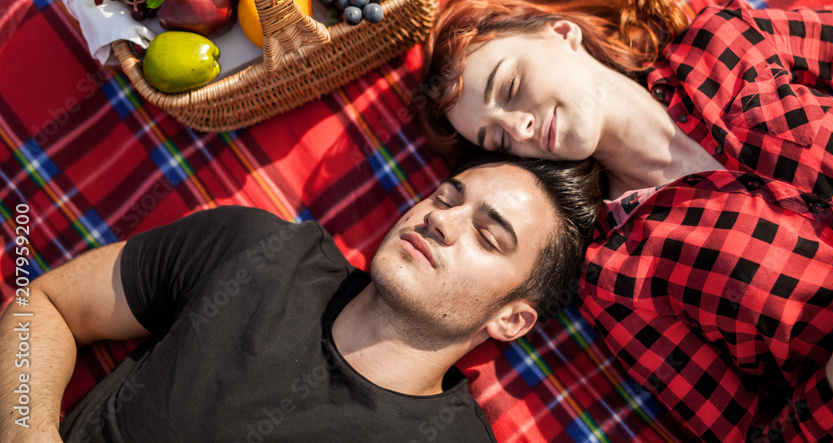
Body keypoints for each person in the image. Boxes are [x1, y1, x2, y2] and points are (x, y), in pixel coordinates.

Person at [414, 0, 833, 442]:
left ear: (560, 34)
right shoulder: (619, 278)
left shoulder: (726, 45)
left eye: (509, 88)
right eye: (495, 139)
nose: (517, 129)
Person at [0, 155, 602, 442]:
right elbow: (45, 305)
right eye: (446, 198)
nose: (441, 221)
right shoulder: (256, 249)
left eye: (489, 236)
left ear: (511, 319)